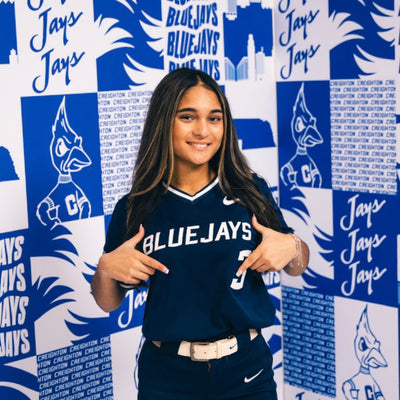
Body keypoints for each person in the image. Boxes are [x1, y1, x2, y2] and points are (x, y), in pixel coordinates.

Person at [91, 68, 309, 400]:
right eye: (188, 117)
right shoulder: (136, 206)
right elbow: (108, 301)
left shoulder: (249, 192)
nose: (202, 130)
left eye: (214, 118)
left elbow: (297, 265)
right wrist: (105, 267)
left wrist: (292, 246)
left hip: (246, 370)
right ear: (164, 122)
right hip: (167, 376)